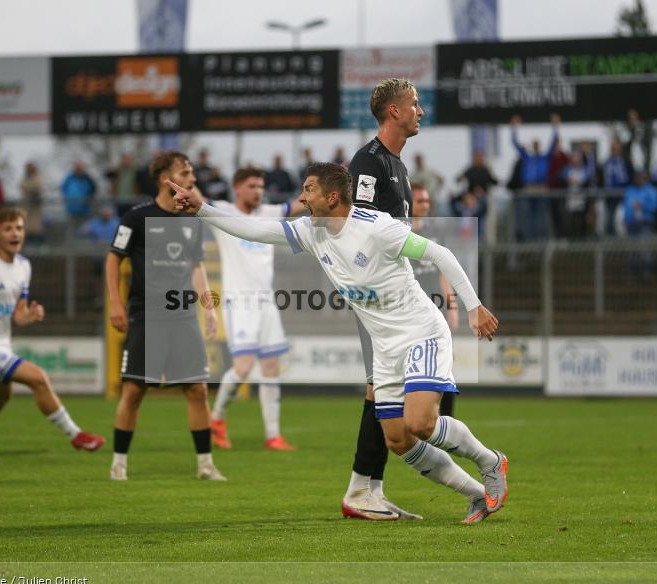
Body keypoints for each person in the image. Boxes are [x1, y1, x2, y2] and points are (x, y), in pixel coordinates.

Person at [171, 163, 507, 525]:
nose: (301, 198)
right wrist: (202, 209)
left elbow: (441, 254)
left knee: (420, 423)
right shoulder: (312, 230)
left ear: (332, 197)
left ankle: (490, 461)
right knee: (397, 440)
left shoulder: (377, 228)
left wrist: (474, 307)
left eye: (308, 190)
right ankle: (476, 494)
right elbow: (256, 229)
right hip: (385, 348)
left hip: (420, 333)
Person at [105, 151, 225, 482]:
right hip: (147, 316)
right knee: (134, 392)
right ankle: (118, 464)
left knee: (197, 390)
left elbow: (197, 266)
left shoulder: (192, 219)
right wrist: (115, 302)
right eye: (185, 173)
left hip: (183, 316)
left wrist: (209, 308)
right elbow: (114, 258)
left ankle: (205, 465)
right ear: (165, 179)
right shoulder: (136, 216)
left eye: (192, 173)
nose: (192, 179)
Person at [0, 208, 105, 459]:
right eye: (8, 229)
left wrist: (30, 315)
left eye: (19, 228)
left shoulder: (24, 266)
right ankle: (76, 435)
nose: (15, 234)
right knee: (38, 378)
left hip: (1, 345)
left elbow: (18, 314)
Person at [344, 77, 422, 520]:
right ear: (394, 111)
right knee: (380, 385)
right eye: (414, 104)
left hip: (393, 292)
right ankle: (359, 490)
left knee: (386, 385)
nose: (419, 111)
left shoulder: (398, 165)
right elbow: (359, 228)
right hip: (375, 294)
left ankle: (371, 489)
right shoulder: (368, 162)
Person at [207, 168, 305, 451]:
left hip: (266, 301)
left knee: (272, 367)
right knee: (243, 367)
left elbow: (298, 204)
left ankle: (273, 435)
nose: (258, 191)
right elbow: (197, 201)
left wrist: (331, 183)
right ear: (237, 187)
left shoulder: (269, 212)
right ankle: (216, 419)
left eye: (261, 186)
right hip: (239, 301)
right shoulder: (224, 212)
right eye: (252, 186)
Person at [409, 183, 460, 417]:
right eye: (420, 201)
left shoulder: (434, 233)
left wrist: (452, 306)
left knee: (444, 361)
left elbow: (443, 273)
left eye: (427, 201)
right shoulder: (399, 233)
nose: (425, 205)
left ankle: (445, 419)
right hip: (410, 309)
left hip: (435, 307)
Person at [510, 113, 561, 240]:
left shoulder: (545, 157)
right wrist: (514, 128)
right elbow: (515, 143)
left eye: (538, 144)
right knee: (527, 217)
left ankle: (541, 242)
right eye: (534, 144)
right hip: (528, 189)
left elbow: (554, 142)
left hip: (541, 188)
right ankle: (529, 242)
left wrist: (555, 127)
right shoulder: (527, 157)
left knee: (541, 217)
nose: (536, 146)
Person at [18, 162, 45, 242]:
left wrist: (29, 189)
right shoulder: (24, 179)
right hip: (27, 207)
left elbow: (37, 187)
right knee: (27, 227)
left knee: (36, 228)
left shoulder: (37, 178)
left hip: (35, 206)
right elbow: (22, 186)